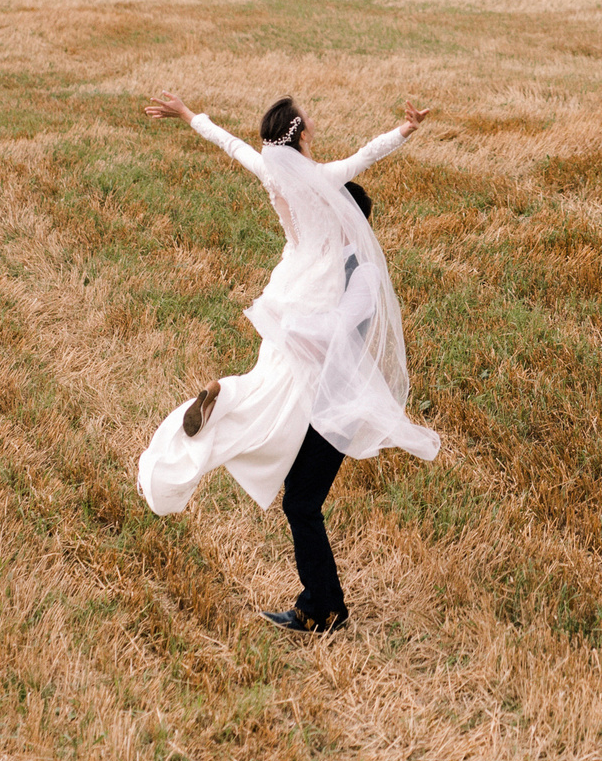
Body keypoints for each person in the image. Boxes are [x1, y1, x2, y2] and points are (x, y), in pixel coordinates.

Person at [134, 91, 439, 632]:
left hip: (295, 300)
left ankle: (229, 398)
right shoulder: (323, 183)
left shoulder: (277, 177)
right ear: (299, 130)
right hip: (315, 313)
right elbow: (367, 155)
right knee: (283, 415)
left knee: (271, 389)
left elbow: (232, 147)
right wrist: (405, 131)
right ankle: (323, 605)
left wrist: (189, 116)